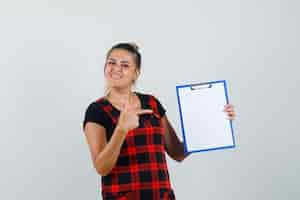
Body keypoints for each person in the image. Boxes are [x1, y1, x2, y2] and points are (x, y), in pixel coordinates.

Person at [83, 42, 236, 200]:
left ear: (136, 73)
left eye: (125, 65)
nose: (116, 68)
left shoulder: (152, 104)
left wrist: (215, 121)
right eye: (111, 62)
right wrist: (121, 130)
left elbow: (177, 152)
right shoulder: (97, 111)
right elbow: (102, 167)